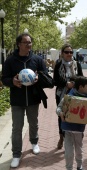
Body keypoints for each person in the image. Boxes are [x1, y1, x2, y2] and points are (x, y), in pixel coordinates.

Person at [1, 33, 47, 168]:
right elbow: (4, 79)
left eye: (30, 42)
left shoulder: (37, 60)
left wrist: (39, 78)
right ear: (19, 44)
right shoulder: (10, 61)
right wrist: (12, 82)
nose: (29, 45)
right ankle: (16, 154)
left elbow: (45, 75)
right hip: (17, 100)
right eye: (26, 42)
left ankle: (34, 142)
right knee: (17, 128)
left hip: (33, 98)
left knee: (34, 123)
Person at [56, 76, 87, 170]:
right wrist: (60, 113)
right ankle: (69, 168)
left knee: (79, 150)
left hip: (79, 130)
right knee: (68, 152)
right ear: (81, 87)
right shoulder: (68, 97)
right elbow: (59, 108)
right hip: (67, 129)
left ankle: (79, 166)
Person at [53, 44, 83, 149]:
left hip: (75, 93)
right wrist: (66, 84)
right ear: (62, 53)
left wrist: (74, 84)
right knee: (62, 115)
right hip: (61, 93)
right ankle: (62, 137)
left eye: (71, 52)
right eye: (66, 52)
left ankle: (72, 138)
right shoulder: (58, 65)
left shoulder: (77, 64)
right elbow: (55, 81)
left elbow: (81, 78)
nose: (69, 54)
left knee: (74, 115)